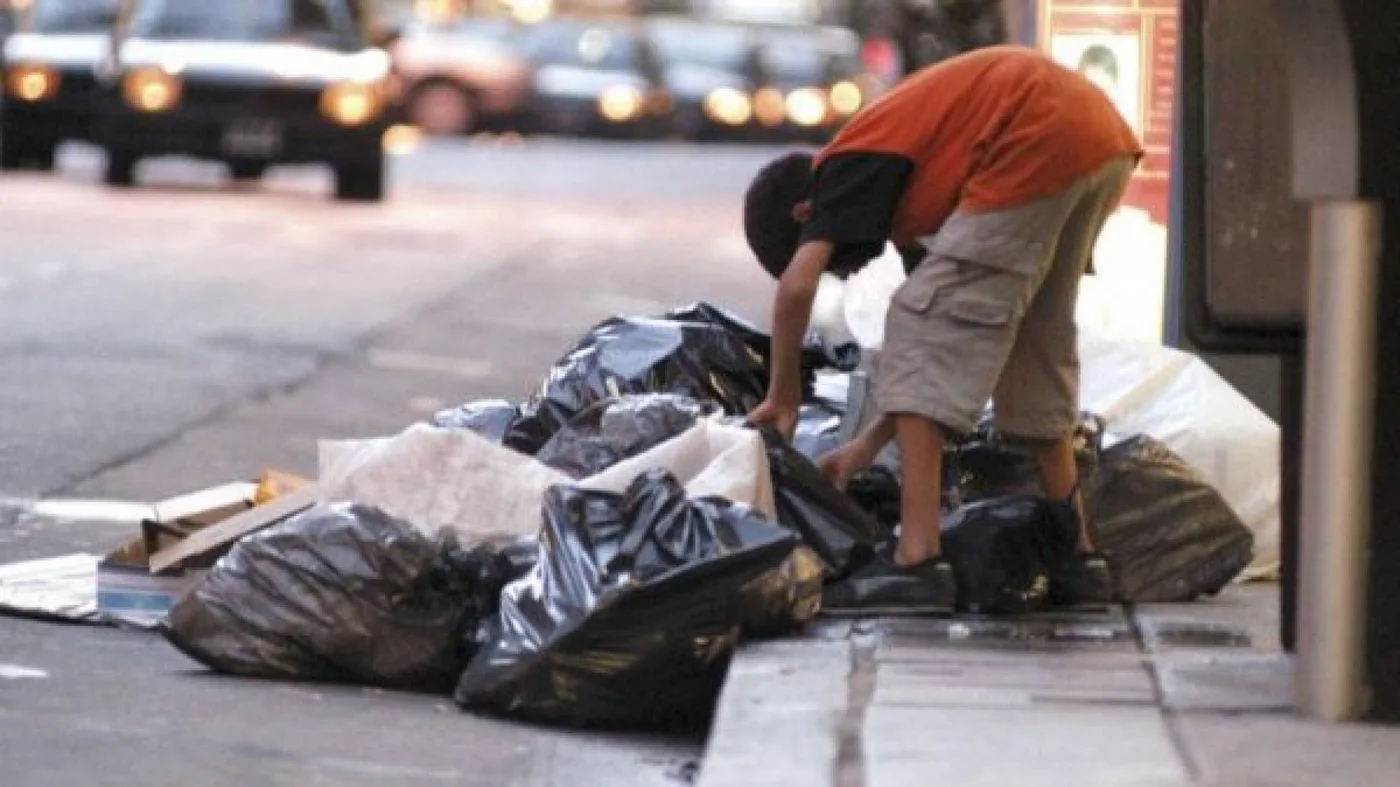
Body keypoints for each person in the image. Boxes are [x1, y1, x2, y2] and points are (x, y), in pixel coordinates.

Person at [743, 44, 1142, 614]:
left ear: (804, 216)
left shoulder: (844, 165)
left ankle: (917, 558)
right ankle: (1080, 558)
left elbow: (797, 289)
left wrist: (781, 394)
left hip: (1033, 133)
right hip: (1096, 139)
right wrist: (863, 447)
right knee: (1032, 344)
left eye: (827, 258)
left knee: (916, 320)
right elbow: (940, 356)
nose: (843, 270)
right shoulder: (908, 199)